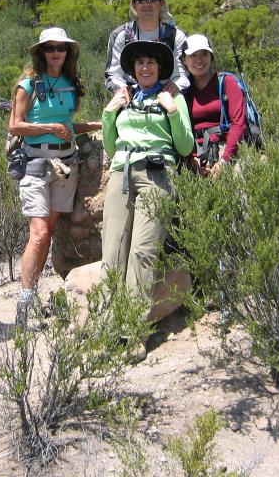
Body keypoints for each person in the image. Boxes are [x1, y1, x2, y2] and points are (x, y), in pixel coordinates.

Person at [100, 40, 194, 361]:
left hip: (157, 175)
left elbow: (184, 145)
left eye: (151, 62)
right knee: (113, 250)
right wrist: (109, 113)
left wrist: (171, 110)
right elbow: (111, 147)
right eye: (139, 62)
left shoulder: (173, 97)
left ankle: (132, 331)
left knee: (142, 251)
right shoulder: (124, 98)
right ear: (133, 68)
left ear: (159, 67)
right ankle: (106, 327)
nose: (145, 67)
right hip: (120, 174)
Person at [9, 27, 101, 328]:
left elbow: (67, 125)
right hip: (36, 164)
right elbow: (16, 126)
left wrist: (99, 124)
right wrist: (49, 129)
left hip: (66, 165)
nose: (56, 53)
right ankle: (25, 300)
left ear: (68, 52)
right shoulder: (28, 84)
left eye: (60, 48)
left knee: (47, 233)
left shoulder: (70, 84)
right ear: (41, 52)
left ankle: (32, 292)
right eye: (50, 48)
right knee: (38, 233)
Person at [104, 0, 190, 98]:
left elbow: (183, 74)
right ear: (134, 4)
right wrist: (122, 90)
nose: (146, 3)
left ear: (161, 2)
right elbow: (113, 74)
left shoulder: (175, 36)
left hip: (167, 98)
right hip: (131, 98)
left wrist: (176, 86)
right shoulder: (121, 35)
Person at [182, 34, 248, 177]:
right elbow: (180, 129)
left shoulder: (227, 82)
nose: (199, 60)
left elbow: (239, 123)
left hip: (228, 148)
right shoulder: (183, 90)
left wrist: (224, 160)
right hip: (195, 155)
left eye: (204, 54)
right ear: (183, 60)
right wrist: (192, 159)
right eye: (193, 55)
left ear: (211, 57)